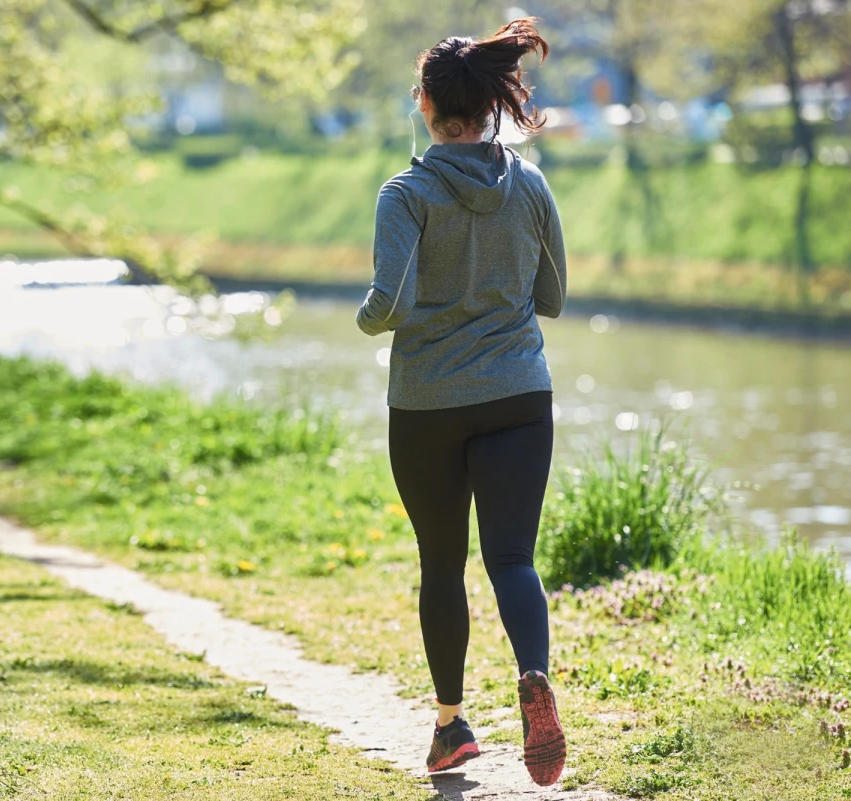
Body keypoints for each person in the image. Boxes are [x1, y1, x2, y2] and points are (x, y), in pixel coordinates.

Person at [355, 18, 567, 785]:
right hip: (519, 393)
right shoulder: (532, 185)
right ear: (488, 106)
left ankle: (451, 727)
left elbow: (388, 302)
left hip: (428, 403)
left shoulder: (406, 192)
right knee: (511, 555)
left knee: (441, 563)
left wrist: (369, 316)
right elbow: (553, 297)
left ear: (425, 103)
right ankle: (534, 676)